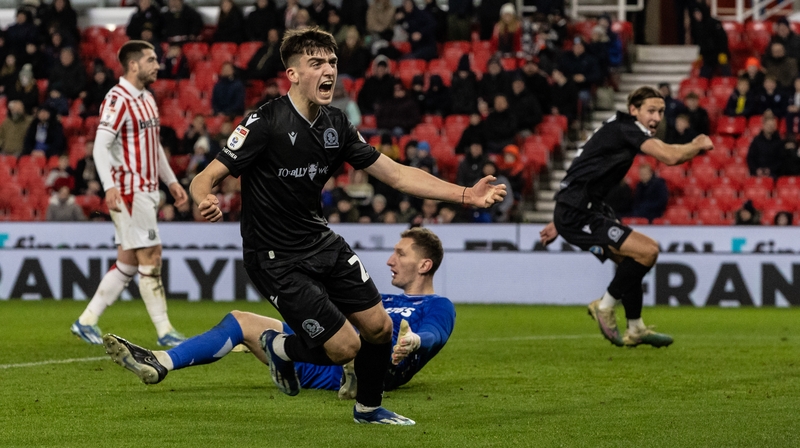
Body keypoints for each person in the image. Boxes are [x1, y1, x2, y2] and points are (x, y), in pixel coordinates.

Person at [184, 28, 504, 425]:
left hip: (320, 241)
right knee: (342, 347)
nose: (329, 71)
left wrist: (465, 195)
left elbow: (397, 175)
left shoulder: (337, 124)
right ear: (293, 74)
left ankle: (368, 409)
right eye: (316, 63)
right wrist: (204, 198)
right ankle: (281, 347)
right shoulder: (264, 120)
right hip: (275, 255)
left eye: (333, 63)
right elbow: (205, 176)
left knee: (378, 328)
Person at [102, 228, 455, 398]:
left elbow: (435, 334)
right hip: (328, 358)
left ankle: (347, 376)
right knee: (241, 320)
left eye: (401, 254)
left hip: (367, 368)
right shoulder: (378, 299)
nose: (391, 260)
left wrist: (413, 340)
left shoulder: (437, 306)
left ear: (425, 264)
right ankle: (161, 361)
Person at [539, 86, 713, 348]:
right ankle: (605, 306)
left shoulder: (619, 128)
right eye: (651, 111)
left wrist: (559, 218)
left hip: (582, 208)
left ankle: (636, 328)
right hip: (578, 211)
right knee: (648, 251)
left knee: (631, 260)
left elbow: (584, 166)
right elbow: (670, 156)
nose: (656, 117)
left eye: (661, 112)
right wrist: (697, 143)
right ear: (634, 110)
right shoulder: (627, 128)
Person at [70, 41, 189, 348]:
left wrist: (171, 181)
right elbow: (100, 146)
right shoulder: (117, 98)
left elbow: (153, 147)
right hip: (129, 190)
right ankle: (164, 330)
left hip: (147, 189)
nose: (157, 65)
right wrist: (109, 185)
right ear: (133, 65)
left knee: (128, 262)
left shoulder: (148, 98)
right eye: (151, 60)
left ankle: (86, 321)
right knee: (151, 255)